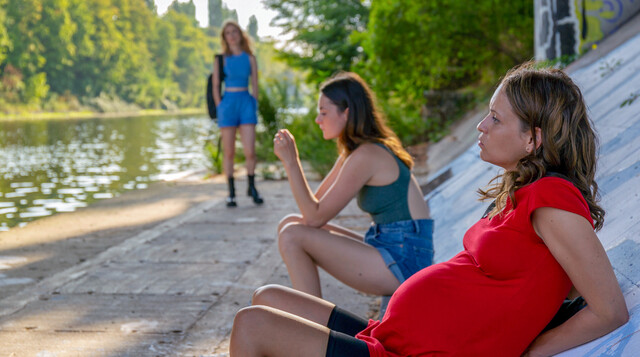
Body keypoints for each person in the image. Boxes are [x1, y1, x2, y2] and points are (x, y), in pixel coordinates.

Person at [228, 63, 629, 356]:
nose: (481, 126)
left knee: (251, 324)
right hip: (392, 333)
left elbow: (610, 309)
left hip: (411, 353)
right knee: (268, 296)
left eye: (495, 118)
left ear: (533, 139)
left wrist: (532, 350)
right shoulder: (526, 194)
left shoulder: (552, 200)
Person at [273, 72, 434, 298]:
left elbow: (314, 217)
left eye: (323, 112)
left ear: (346, 112)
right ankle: (310, 316)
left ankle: (310, 322)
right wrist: (292, 162)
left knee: (292, 235)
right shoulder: (356, 152)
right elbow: (313, 208)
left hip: (406, 262)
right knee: (289, 223)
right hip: (391, 248)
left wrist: (292, 162)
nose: (318, 120)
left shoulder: (367, 154)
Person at [212, 20, 263, 207]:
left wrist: (253, 101)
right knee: (230, 151)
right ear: (224, 37)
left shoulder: (250, 58)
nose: (232, 35)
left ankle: (252, 186)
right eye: (228, 33)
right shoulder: (221, 59)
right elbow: (216, 85)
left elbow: (255, 84)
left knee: (250, 151)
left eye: (235, 32)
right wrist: (220, 106)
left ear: (241, 34)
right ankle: (231, 192)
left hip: (246, 103)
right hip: (228, 105)